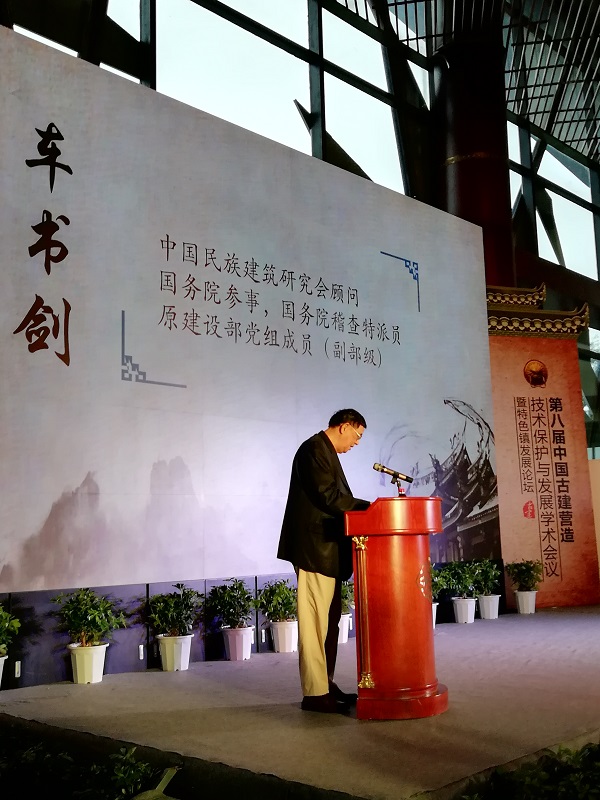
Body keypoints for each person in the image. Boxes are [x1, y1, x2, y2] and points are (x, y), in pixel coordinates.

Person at [278, 409, 370, 714]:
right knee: (315, 625)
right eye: (357, 436)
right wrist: (369, 509)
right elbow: (327, 496)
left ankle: (325, 684)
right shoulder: (313, 449)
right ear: (344, 426)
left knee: (328, 623)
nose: (356, 443)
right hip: (313, 549)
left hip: (327, 551)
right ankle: (315, 693)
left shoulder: (325, 451)